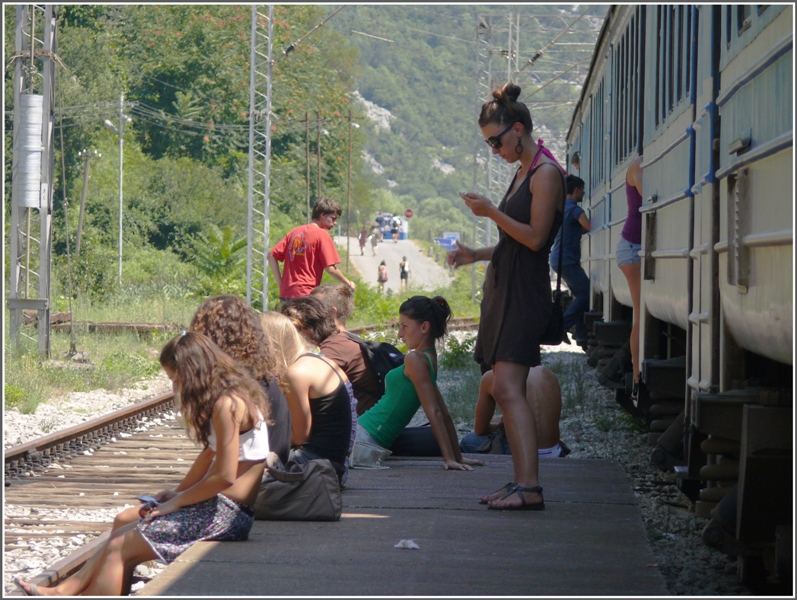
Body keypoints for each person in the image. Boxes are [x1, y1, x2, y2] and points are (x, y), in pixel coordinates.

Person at [14, 332, 271, 596]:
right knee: (122, 521)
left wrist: (178, 502)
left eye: (176, 380)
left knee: (119, 547)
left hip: (227, 515)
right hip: (219, 507)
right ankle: (68, 589)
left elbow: (225, 476)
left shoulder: (227, 405)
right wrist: (178, 492)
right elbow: (209, 455)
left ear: (194, 373)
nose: (174, 388)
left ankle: (78, 593)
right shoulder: (230, 396)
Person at [447, 82, 565, 511]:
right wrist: (475, 254)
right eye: (488, 143)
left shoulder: (546, 173)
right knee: (502, 385)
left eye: (496, 140)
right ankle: (519, 481)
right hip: (506, 286)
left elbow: (534, 240)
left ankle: (529, 486)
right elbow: (513, 243)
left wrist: (491, 212)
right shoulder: (523, 171)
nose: (494, 149)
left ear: (519, 129)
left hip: (522, 290)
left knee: (509, 388)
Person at [355, 296, 485, 471]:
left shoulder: (415, 359)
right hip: (362, 436)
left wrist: (451, 459)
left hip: (364, 439)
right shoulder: (428, 360)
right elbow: (443, 414)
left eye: (405, 326)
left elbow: (436, 412)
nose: (400, 334)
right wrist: (456, 456)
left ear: (424, 327)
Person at [189, 294, 292, 467]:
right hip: (274, 470)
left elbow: (217, 459)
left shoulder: (237, 385)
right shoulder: (257, 375)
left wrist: (182, 494)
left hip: (259, 480)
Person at [259, 310, 353, 486]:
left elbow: (298, 437)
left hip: (319, 466)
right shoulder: (318, 360)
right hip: (336, 462)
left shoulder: (296, 373)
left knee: (246, 458)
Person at [459, 366, 570, 458]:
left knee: (468, 441)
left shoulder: (492, 376)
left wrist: (498, 426)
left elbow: (480, 430)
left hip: (525, 457)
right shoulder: (547, 373)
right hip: (554, 451)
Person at [268, 197, 355, 301]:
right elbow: (330, 269)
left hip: (286, 294)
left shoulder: (294, 232)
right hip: (306, 295)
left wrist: (281, 283)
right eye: (333, 218)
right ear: (322, 215)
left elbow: (271, 256)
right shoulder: (322, 235)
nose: (335, 222)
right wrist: (348, 283)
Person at [549, 175, 591, 349]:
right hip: (567, 260)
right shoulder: (575, 209)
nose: (584, 192)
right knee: (586, 294)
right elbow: (589, 226)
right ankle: (562, 326)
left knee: (580, 295)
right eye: (582, 189)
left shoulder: (561, 208)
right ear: (576, 190)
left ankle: (581, 334)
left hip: (558, 258)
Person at [617, 155, 644, 405]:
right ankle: (637, 379)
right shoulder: (637, 165)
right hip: (633, 247)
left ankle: (638, 377)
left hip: (634, 247)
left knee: (640, 315)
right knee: (639, 316)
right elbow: (650, 197)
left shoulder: (643, 165)